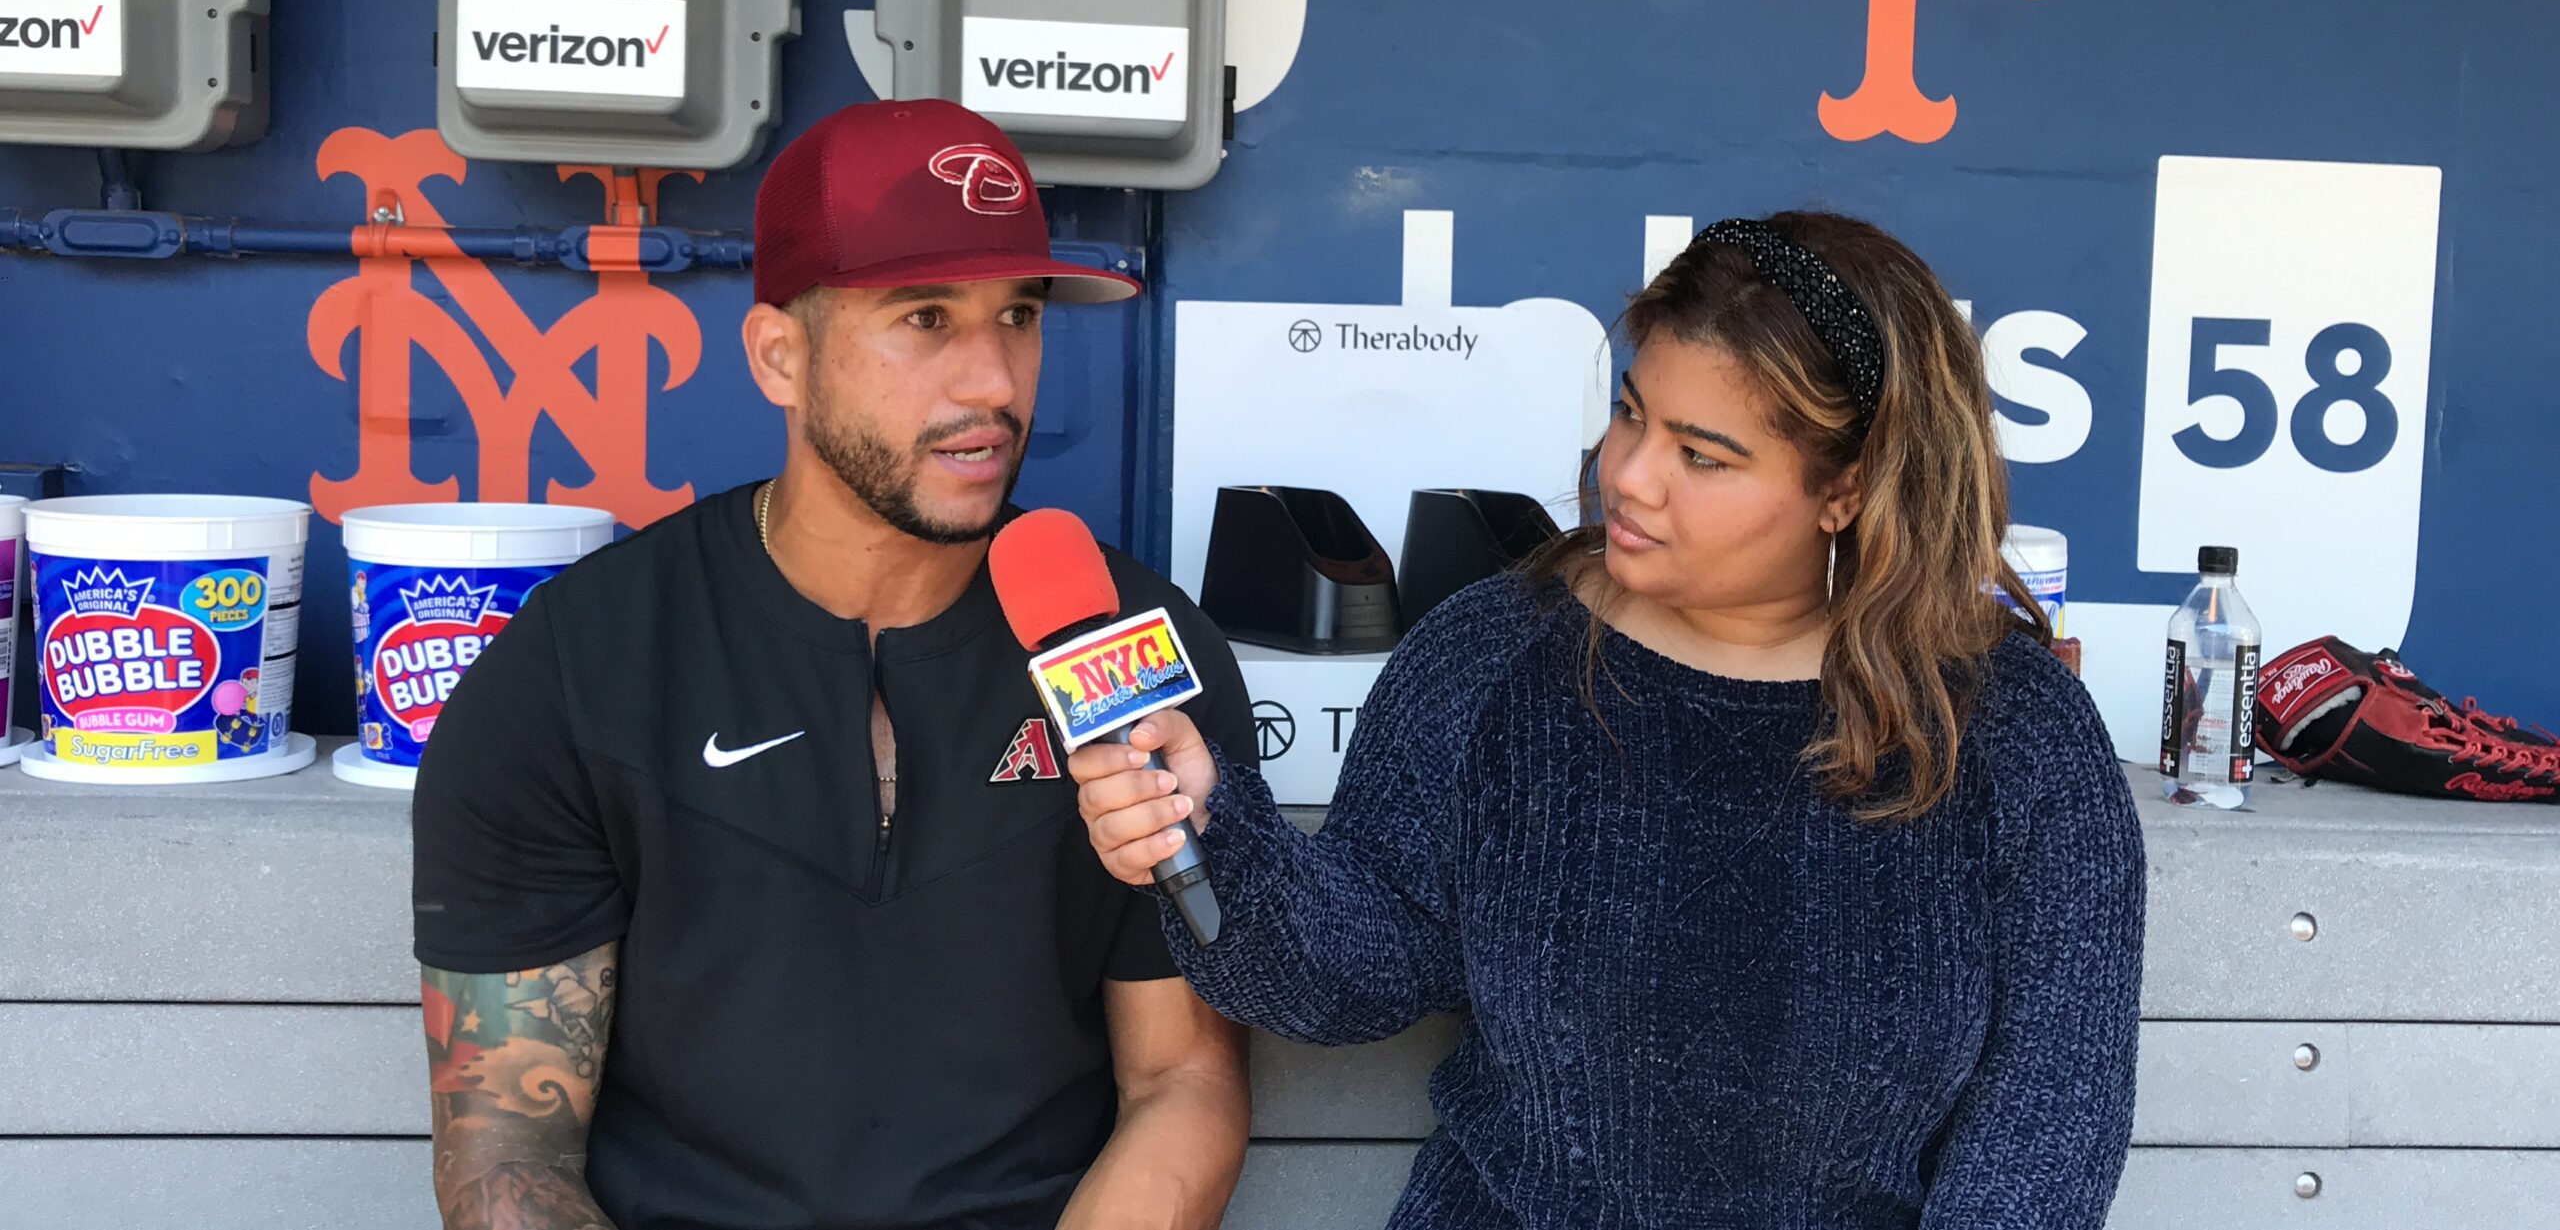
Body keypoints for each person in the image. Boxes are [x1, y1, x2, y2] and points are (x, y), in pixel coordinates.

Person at [1072, 213, 2147, 1228]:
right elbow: (1353, 974)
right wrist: (1211, 828)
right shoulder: (1492, 653)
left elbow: (2046, 1132)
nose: (1626, 474)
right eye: (1631, 410)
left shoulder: (2013, 735)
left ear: (1849, 486)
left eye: (1702, 453)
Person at [411, 100, 1252, 1230]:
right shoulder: (579, 664)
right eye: (924, 318)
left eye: (1021, 314)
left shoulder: (1136, 648)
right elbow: (508, 1150)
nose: (995, 383)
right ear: (779, 356)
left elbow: (1182, 1081)